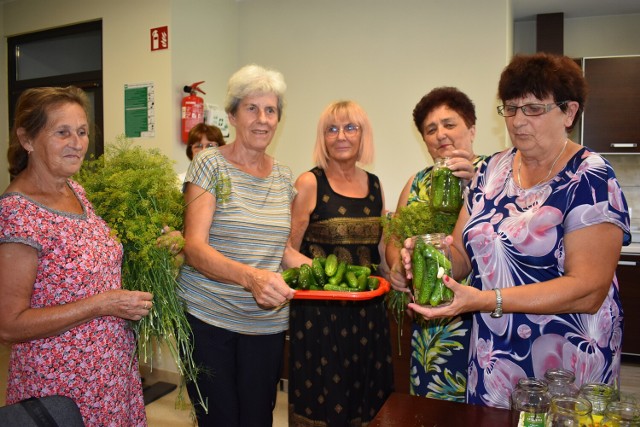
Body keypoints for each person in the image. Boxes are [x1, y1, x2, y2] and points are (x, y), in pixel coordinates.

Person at [400, 53, 631, 408]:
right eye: (510, 108)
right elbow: (462, 255)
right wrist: (430, 255)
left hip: (565, 360)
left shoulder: (592, 177)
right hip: (495, 355)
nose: (518, 121)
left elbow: (588, 289)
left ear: (568, 112)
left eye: (534, 109)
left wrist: (486, 300)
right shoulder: (492, 170)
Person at [0, 86, 152, 426]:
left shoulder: (74, 190)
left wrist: (155, 244)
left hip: (110, 373)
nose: (77, 143)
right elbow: (8, 324)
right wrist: (101, 304)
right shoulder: (17, 213)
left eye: (82, 132)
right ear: (27, 139)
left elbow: (94, 264)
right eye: (62, 132)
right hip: (62, 385)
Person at [177, 64, 307, 426]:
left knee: (257, 418)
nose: (262, 119)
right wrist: (251, 278)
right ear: (233, 115)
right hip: (209, 318)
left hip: (265, 324)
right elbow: (195, 247)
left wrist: (318, 271)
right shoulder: (209, 165)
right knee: (218, 418)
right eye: (252, 108)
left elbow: (280, 249)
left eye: (270, 110)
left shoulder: (283, 176)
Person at [287, 100, 394, 426]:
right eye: (331, 129)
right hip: (320, 318)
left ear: (363, 136)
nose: (341, 136)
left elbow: (379, 247)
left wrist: (396, 275)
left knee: (367, 400)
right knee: (325, 404)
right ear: (323, 138)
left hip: (369, 314)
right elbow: (286, 250)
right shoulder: (309, 182)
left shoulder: (375, 184)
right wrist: (333, 279)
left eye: (350, 127)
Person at [385, 87, 486, 402]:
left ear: (471, 129)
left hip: (481, 320)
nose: (440, 134)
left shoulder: (495, 173)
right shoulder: (416, 182)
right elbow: (394, 237)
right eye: (431, 129)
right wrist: (396, 269)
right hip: (430, 325)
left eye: (449, 124)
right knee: (431, 411)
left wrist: (474, 184)